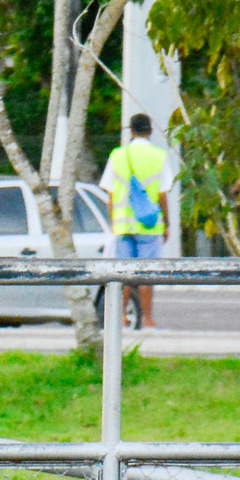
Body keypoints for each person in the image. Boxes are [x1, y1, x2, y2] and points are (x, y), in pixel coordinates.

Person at [99, 113, 169, 329]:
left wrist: (114, 221)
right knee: (146, 274)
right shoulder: (159, 156)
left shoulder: (117, 155)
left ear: (131, 131)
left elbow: (110, 193)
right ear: (150, 131)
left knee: (122, 273)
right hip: (149, 225)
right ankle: (147, 318)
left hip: (122, 224)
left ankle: (121, 317)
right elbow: (162, 195)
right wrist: (166, 223)